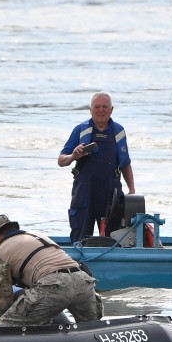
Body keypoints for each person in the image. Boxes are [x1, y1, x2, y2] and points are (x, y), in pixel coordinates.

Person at [0, 214, 102, 327]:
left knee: (4, 327)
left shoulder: (1, 252)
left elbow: (3, 297)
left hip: (53, 285)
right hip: (83, 280)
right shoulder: (38, 235)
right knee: (91, 328)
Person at [58, 92, 135, 242]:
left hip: (111, 192)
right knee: (80, 234)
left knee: (113, 236)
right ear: (90, 109)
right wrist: (73, 156)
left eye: (105, 106)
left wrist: (131, 190)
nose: (101, 110)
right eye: (97, 107)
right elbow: (61, 161)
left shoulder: (118, 131)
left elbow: (125, 163)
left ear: (111, 109)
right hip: (84, 190)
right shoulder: (80, 130)